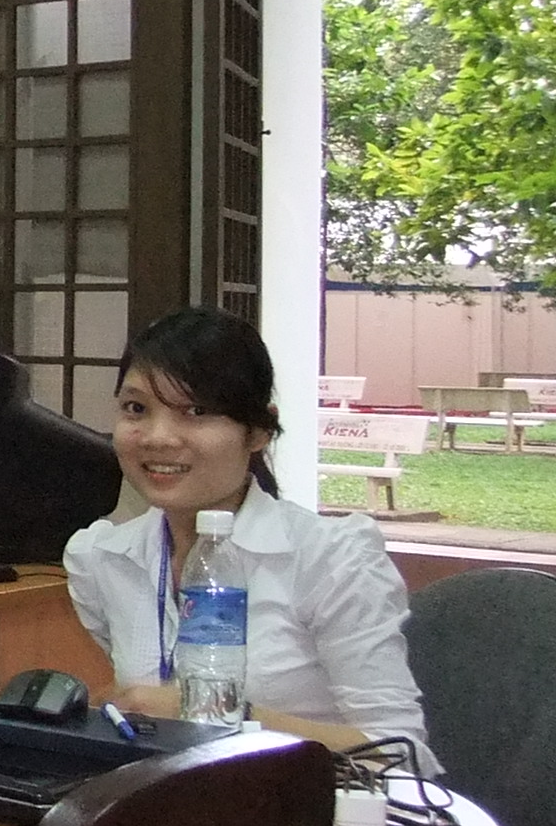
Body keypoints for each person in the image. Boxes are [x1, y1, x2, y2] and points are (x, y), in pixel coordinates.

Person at [64, 306, 428, 746]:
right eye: (136, 408)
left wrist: (224, 714)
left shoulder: (330, 560)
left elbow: (398, 750)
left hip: (303, 789)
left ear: (257, 432)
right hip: (174, 787)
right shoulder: (102, 559)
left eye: (196, 410)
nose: (158, 437)